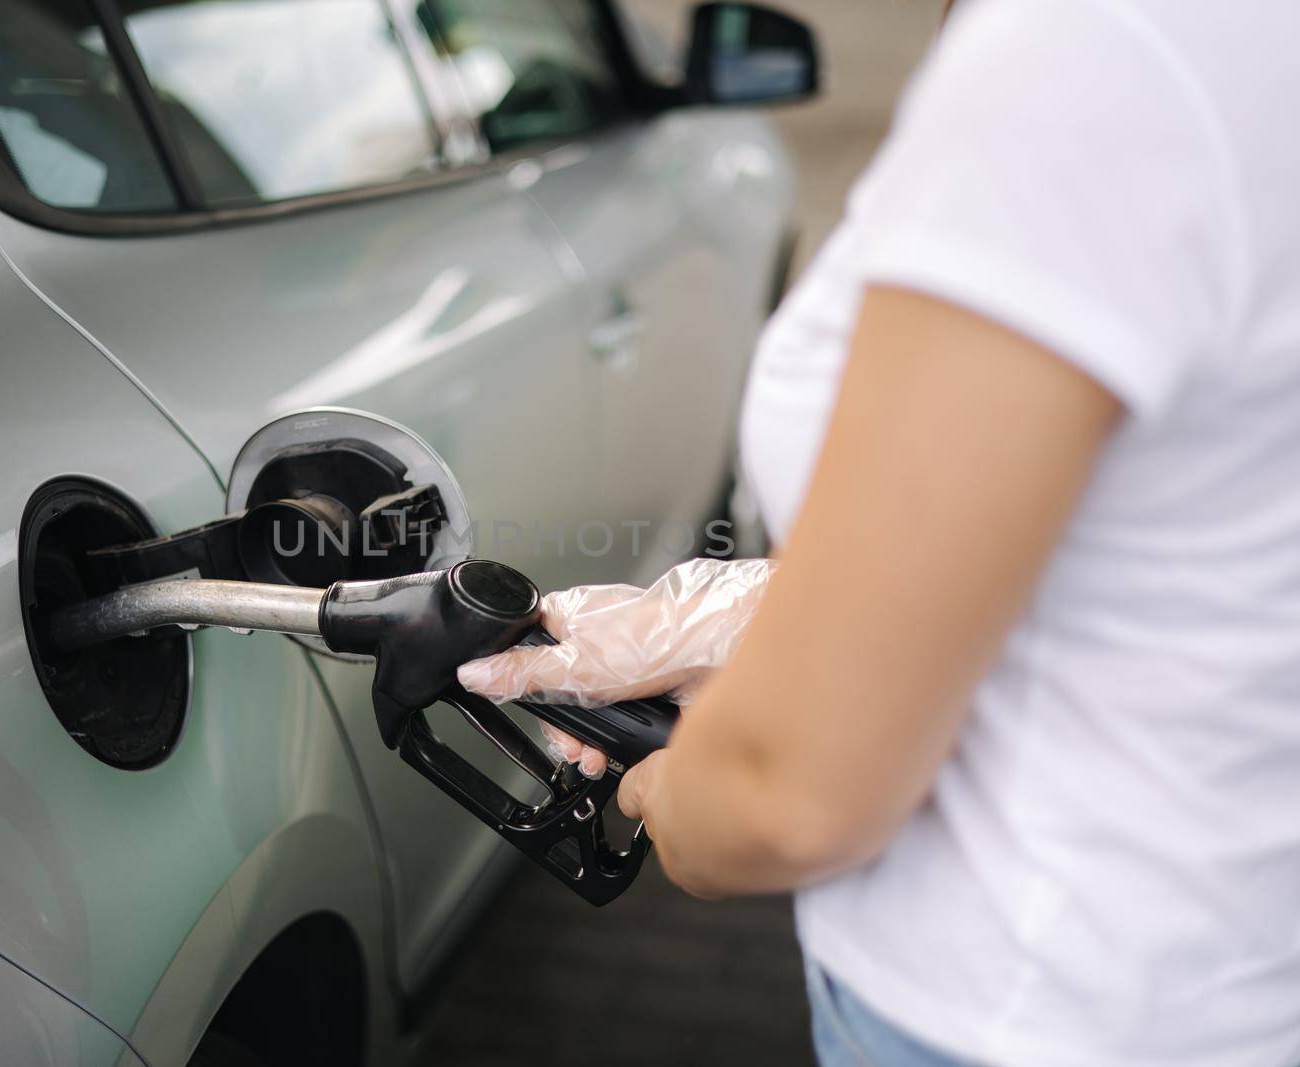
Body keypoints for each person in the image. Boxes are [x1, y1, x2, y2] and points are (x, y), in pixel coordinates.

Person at [457, 1, 1300, 1064]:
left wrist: (673, 786)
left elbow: (787, 796)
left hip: (1014, 1008)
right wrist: (767, 607)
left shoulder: (1093, 55)